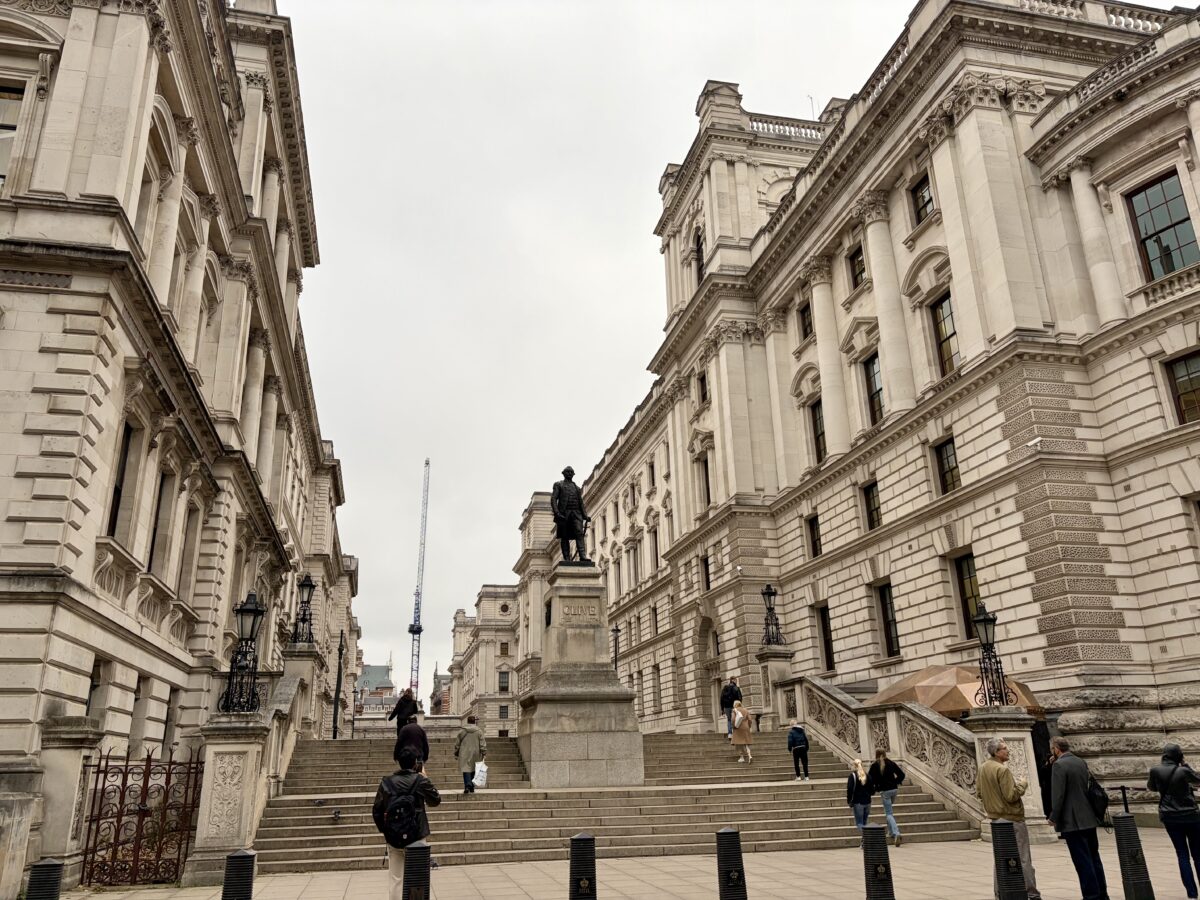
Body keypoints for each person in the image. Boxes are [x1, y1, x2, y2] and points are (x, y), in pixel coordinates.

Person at [372, 746, 441, 900]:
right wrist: (425, 777)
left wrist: (386, 830)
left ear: (399, 762)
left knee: (396, 879)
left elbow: (376, 810)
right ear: (415, 763)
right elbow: (436, 800)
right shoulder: (420, 780)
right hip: (417, 835)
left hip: (394, 837)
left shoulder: (387, 782)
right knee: (418, 880)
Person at [978, 738, 1041, 900]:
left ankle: (1000, 892)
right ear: (997, 753)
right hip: (1011, 818)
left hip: (995, 819)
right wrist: (1023, 784)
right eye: (1004, 748)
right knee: (1023, 857)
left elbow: (979, 793)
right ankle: (1031, 892)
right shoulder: (1002, 770)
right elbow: (1011, 795)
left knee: (1000, 857)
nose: (1008, 751)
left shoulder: (983, 767)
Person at [1049, 736, 1107, 900]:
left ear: (1056, 749)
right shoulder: (1080, 761)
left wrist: (1054, 817)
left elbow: (1058, 796)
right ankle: (1102, 893)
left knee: (1082, 862)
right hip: (1088, 817)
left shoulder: (1059, 765)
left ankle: (1091, 896)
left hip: (1072, 821)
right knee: (1094, 858)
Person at [1147, 742, 1200, 898]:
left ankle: (1192, 893)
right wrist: (1185, 764)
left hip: (1170, 816)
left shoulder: (1155, 770)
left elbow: (1152, 787)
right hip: (1191, 816)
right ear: (1178, 755)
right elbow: (1198, 779)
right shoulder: (1183, 771)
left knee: (1182, 854)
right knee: (1197, 854)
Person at [551, 466, 591, 562]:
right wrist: (557, 513)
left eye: (571, 472)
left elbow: (580, 502)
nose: (569, 473)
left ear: (573, 474)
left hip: (576, 513)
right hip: (564, 514)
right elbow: (553, 499)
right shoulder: (558, 484)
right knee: (565, 536)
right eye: (567, 472)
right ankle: (567, 558)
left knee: (579, 533)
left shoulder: (576, 488)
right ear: (563, 473)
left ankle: (582, 556)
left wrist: (585, 515)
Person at [868, 749, 906, 847]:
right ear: (885, 754)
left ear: (876, 755)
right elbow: (902, 775)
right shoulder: (891, 763)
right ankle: (891, 832)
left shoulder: (874, 766)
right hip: (894, 790)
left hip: (885, 791)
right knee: (888, 811)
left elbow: (870, 780)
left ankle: (896, 833)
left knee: (889, 813)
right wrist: (895, 782)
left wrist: (876, 788)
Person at [454, 715, 487, 794]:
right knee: (474, 769)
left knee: (466, 769)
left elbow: (457, 743)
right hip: (476, 752)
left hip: (464, 752)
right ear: (474, 722)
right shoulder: (479, 731)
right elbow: (482, 743)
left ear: (467, 721)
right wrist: (484, 752)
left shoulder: (462, 731)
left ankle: (467, 786)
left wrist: (456, 752)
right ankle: (471, 786)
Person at [846, 758, 873, 833]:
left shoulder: (853, 776)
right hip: (868, 802)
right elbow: (872, 790)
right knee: (864, 822)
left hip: (858, 802)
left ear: (854, 766)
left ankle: (864, 841)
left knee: (860, 823)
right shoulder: (867, 775)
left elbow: (850, 789)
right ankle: (865, 842)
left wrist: (849, 800)